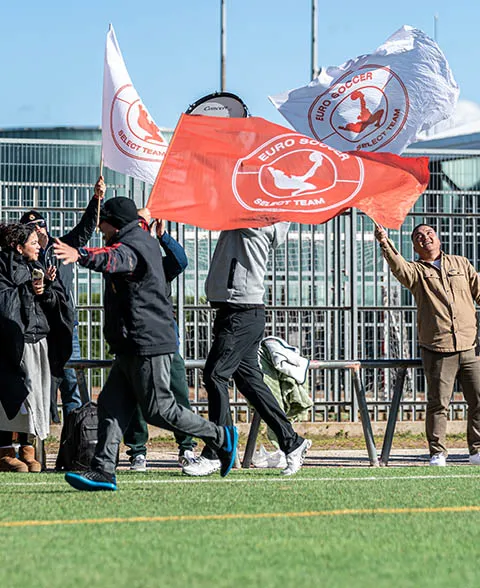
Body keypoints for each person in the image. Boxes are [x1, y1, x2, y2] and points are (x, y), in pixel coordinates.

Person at [53, 196, 238, 491]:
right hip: (130, 345)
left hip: (147, 342)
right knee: (110, 407)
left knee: (159, 410)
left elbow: (113, 259)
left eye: (103, 221)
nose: (100, 227)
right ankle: (102, 471)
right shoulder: (138, 237)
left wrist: (81, 255)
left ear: (114, 223)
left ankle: (219, 436)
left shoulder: (133, 245)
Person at [183, 223, 311, 477]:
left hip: (241, 311)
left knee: (215, 375)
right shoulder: (246, 217)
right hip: (237, 311)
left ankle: (217, 450)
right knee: (251, 383)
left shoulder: (254, 221)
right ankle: (292, 442)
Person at [375, 223, 480, 466]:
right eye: (419, 237)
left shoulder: (461, 263)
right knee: (438, 403)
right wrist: (385, 242)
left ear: (438, 238)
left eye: (429, 233)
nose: (426, 238)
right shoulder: (415, 272)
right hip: (438, 347)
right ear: (414, 246)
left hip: (469, 345)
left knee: (478, 400)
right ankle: (438, 452)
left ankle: (476, 450)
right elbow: (398, 267)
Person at [19, 177, 104, 421]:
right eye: (32, 229)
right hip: (37, 329)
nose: (38, 231)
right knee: (36, 382)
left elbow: (86, 228)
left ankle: (76, 441)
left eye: (41, 227)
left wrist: (96, 199)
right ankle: (37, 441)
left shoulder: (61, 246)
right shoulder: (23, 257)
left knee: (71, 384)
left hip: (66, 326)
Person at [123, 209, 197, 471]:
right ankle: (137, 451)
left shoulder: (159, 263)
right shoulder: (123, 260)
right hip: (135, 338)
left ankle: (186, 447)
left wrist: (164, 236)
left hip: (165, 337)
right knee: (136, 394)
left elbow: (181, 260)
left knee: (177, 392)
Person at [0, 223, 72, 472]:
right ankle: (5, 452)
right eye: (33, 243)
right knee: (13, 397)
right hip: (15, 344)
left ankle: (28, 450)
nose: (38, 247)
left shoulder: (38, 266)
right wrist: (28, 290)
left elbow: (54, 304)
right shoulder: (3, 266)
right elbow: (5, 303)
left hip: (39, 339)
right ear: (19, 247)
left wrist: (47, 289)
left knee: (36, 396)